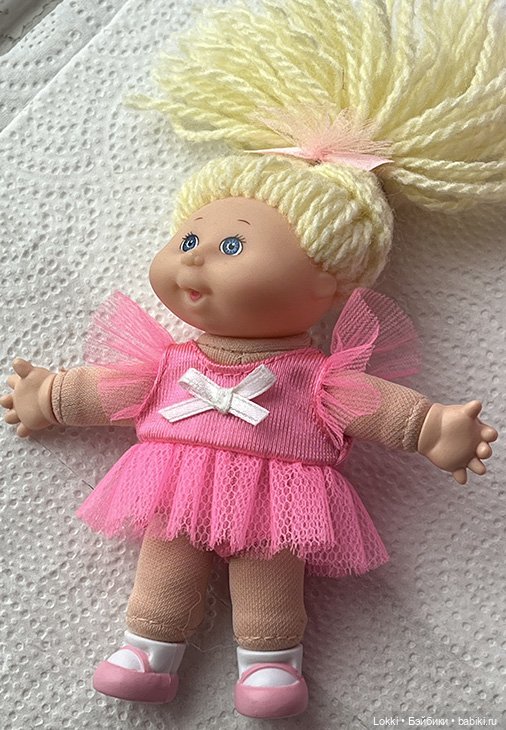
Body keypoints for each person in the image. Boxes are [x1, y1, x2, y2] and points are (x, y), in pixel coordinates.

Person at [2, 0, 503, 719]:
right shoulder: (167, 361)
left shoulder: (318, 380)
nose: (194, 258)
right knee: (166, 561)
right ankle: (147, 650)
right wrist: (51, 396)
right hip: (177, 483)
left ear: (328, 284)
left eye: (231, 246)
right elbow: (112, 389)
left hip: (280, 495)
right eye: (189, 239)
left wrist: (431, 428)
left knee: (272, 578)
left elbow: (375, 408)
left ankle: (270, 664)